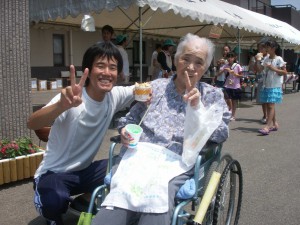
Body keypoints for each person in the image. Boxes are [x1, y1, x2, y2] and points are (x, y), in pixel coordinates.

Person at [91, 33, 231, 225]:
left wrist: (199, 108)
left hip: (177, 163)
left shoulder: (212, 96)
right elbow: (129, 119)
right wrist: (125, 131)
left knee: (158, 197)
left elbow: (222, 133)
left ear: (205, 67)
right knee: (119, 198)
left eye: (198, 62)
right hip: (140, 157)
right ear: (175, 60)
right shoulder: (154, 88)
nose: (190, 67)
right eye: (185, 59)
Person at [27, 42, 135, 225]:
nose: (107, 72)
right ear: (88, 70)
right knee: (55, 202)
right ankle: (49, 207)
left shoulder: (114, 96)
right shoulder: (73, 98)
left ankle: (83, 201)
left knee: (128, 164)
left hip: (84, 172)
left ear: (118, 74)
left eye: (113, 67)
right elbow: (32, 123)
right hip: (54, 174)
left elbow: (144, 87)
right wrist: (60, 105)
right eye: (100, 66)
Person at [256, 39, 287, 135]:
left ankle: (267, 126)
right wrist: (258, 61)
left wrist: (272, 68)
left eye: (268, 47)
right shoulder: (266, 58)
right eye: (265, 47)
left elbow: (284, 72)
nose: (266, 49)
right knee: (270, 105)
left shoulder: (279, 59)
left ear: (273, 48)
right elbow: (260, 69)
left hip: (275, 85)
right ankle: (275, 124)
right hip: (266, 85)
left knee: (270, 105)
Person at [223, 51, 243, 121]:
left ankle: (233, 115)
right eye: (228, 57)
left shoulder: (237, 66)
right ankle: (229, 112)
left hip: (235, 85)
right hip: (227, 85)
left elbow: (241, 75)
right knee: (227, 99)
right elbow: (220, 72)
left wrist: (234, 73)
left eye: (231, 57)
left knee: (234, 101)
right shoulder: (225, 65)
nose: (229, 59)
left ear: (234, 58)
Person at [254, 39, 269, 124]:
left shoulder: (269, 57)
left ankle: (270, 117)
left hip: (268, 80)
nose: (260, 50)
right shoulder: (259, 58)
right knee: (262, 99)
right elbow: (256, 70)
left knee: (269, 100)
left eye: (261, 48)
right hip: (260, 79)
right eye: (258, 49)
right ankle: (265, 115)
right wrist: (257, 60)